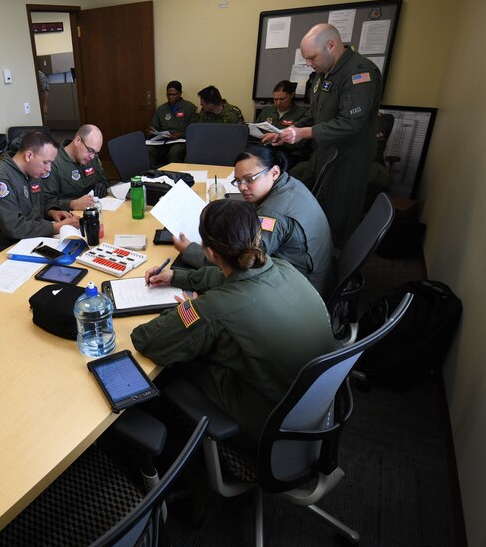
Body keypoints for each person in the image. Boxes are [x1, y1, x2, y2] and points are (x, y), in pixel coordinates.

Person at [131, 199, 334, 449]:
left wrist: (188, 308)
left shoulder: (214, 308)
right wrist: (178, 276)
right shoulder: (282, 267)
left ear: (210, 253)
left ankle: (179, 449)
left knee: (175, 367)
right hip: (311, 408)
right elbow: (229, 277)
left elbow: (147, 340)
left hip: (268, 425)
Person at [264, 23, 382, 247]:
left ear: (331, 45)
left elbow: (351, 123)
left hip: (348, 158)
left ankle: (335, 262)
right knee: (316, 205)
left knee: (338, 215)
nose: (309, 64)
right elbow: (315, 113)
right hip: (323, 152)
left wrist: (303, 133)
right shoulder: (322, 73)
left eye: (312, 57)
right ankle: (313, 250)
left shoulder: (359, 72)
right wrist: (288, 131)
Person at [172, 145, 333, 296]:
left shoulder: (273, 215)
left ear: (274, 172)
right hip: (307, 276)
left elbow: (242, 265)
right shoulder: (288, 184)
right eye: (238, 181)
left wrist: (190, 250)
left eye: (249, 179)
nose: (242, 187)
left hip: (300, 291)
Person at [0, 130, 78, 252]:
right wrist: (56, 227)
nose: (49, 169)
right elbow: (13, 226)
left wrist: (52, 212)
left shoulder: (32, 173)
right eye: (46, 162)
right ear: (29, 156)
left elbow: (39, 203)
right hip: (5, 247)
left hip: (31, 239)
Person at [43, 124, 110, 211]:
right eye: (90, 150)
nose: (92, 156)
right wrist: (71, 204)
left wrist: (102, 185)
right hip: (68, 214)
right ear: (78, 141)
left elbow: (104, 179)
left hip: (94, 209)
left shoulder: (92, 157)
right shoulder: (53, 163)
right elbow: (47, 202)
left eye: (96, 153)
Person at [256, 80, 311, 168]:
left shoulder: (302, 113)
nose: (278, 103)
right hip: (264, 149)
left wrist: (281, 139)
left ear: (292, 95)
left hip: (287, 153)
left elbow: (303, 143)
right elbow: (257, 130)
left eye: (282, 99)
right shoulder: (267, 111)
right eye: (275, 99)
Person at [146, 80, 197, 168]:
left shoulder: (189, 107)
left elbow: (195, 131)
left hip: (180, 141)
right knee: (148, 150)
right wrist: (151, 131)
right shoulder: (161, 109)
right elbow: (155, 126)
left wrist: (180, 135)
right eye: (168, 95)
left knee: (175, 151)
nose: (171, 97)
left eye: (174, 94)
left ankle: (173, 174)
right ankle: (153, 174)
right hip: (163, 141)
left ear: (180, 93)